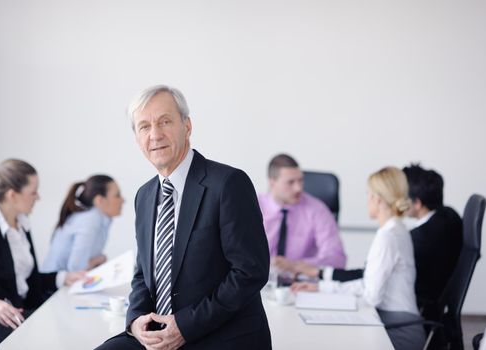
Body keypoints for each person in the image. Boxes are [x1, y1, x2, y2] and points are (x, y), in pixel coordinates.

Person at [95, 85, 271, 350]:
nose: (155, 135)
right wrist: (136, 321)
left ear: (187, 127)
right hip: (159, 333)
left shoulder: (228, 184)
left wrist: (185, 326)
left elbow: (249, 273)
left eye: (164, 122)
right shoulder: (144, 196)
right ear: (137, 138)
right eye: (144, 126)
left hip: (219, 333)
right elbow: (143, 275)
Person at [291, 166, 425, 350]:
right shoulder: (396, 229)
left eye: (368, 195)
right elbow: (367, 284)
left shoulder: (388, 237)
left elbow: (371, 297)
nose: (367, 200)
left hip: (398, 329)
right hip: (396, 321)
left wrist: (325, 293)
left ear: (377, 199)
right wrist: (321, 288)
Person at [0, 159, 85, 349]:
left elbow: (25, 279)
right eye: (33, 192)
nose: (38, 197)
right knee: (59, 334)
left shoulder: (21, 224)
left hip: (21, 309)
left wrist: (63, 277)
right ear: (13, 195)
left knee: (74, 319)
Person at [257, 154, 346, 277]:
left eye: (300, 180)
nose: (298, 188)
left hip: (302, 283)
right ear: (272, 183)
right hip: (260, 281)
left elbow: (337, 259)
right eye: (291, 182)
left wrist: (295, 265)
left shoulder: (317, 209)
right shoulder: (254, 207)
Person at [402, 164, 462, 320]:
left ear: (417, 203)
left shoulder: (417, 239)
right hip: (434, 307)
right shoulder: (450, 216)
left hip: (415, 309)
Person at [41, 175, 124, 272]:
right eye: (117, 195)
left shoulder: (99, 219)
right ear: (99, 200)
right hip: (55, 285)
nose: (123, 200)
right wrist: (101, 259)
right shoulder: (90, 220)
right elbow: (76, 267)